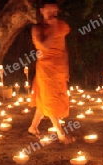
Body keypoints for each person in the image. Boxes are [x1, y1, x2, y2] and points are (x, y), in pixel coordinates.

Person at [28, 0, 74, 144]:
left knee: (45, 99)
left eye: (55, 12)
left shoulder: (61, 26)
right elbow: (45, 46)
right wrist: (53, 28)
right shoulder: (37, 28)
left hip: (59, 68)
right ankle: (61, 135)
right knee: (51, 100)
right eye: (49, 12)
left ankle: (33, 127)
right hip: (46, 69)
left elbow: (64, 48)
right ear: (42, 11)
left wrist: (66, 68)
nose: (53, 15)